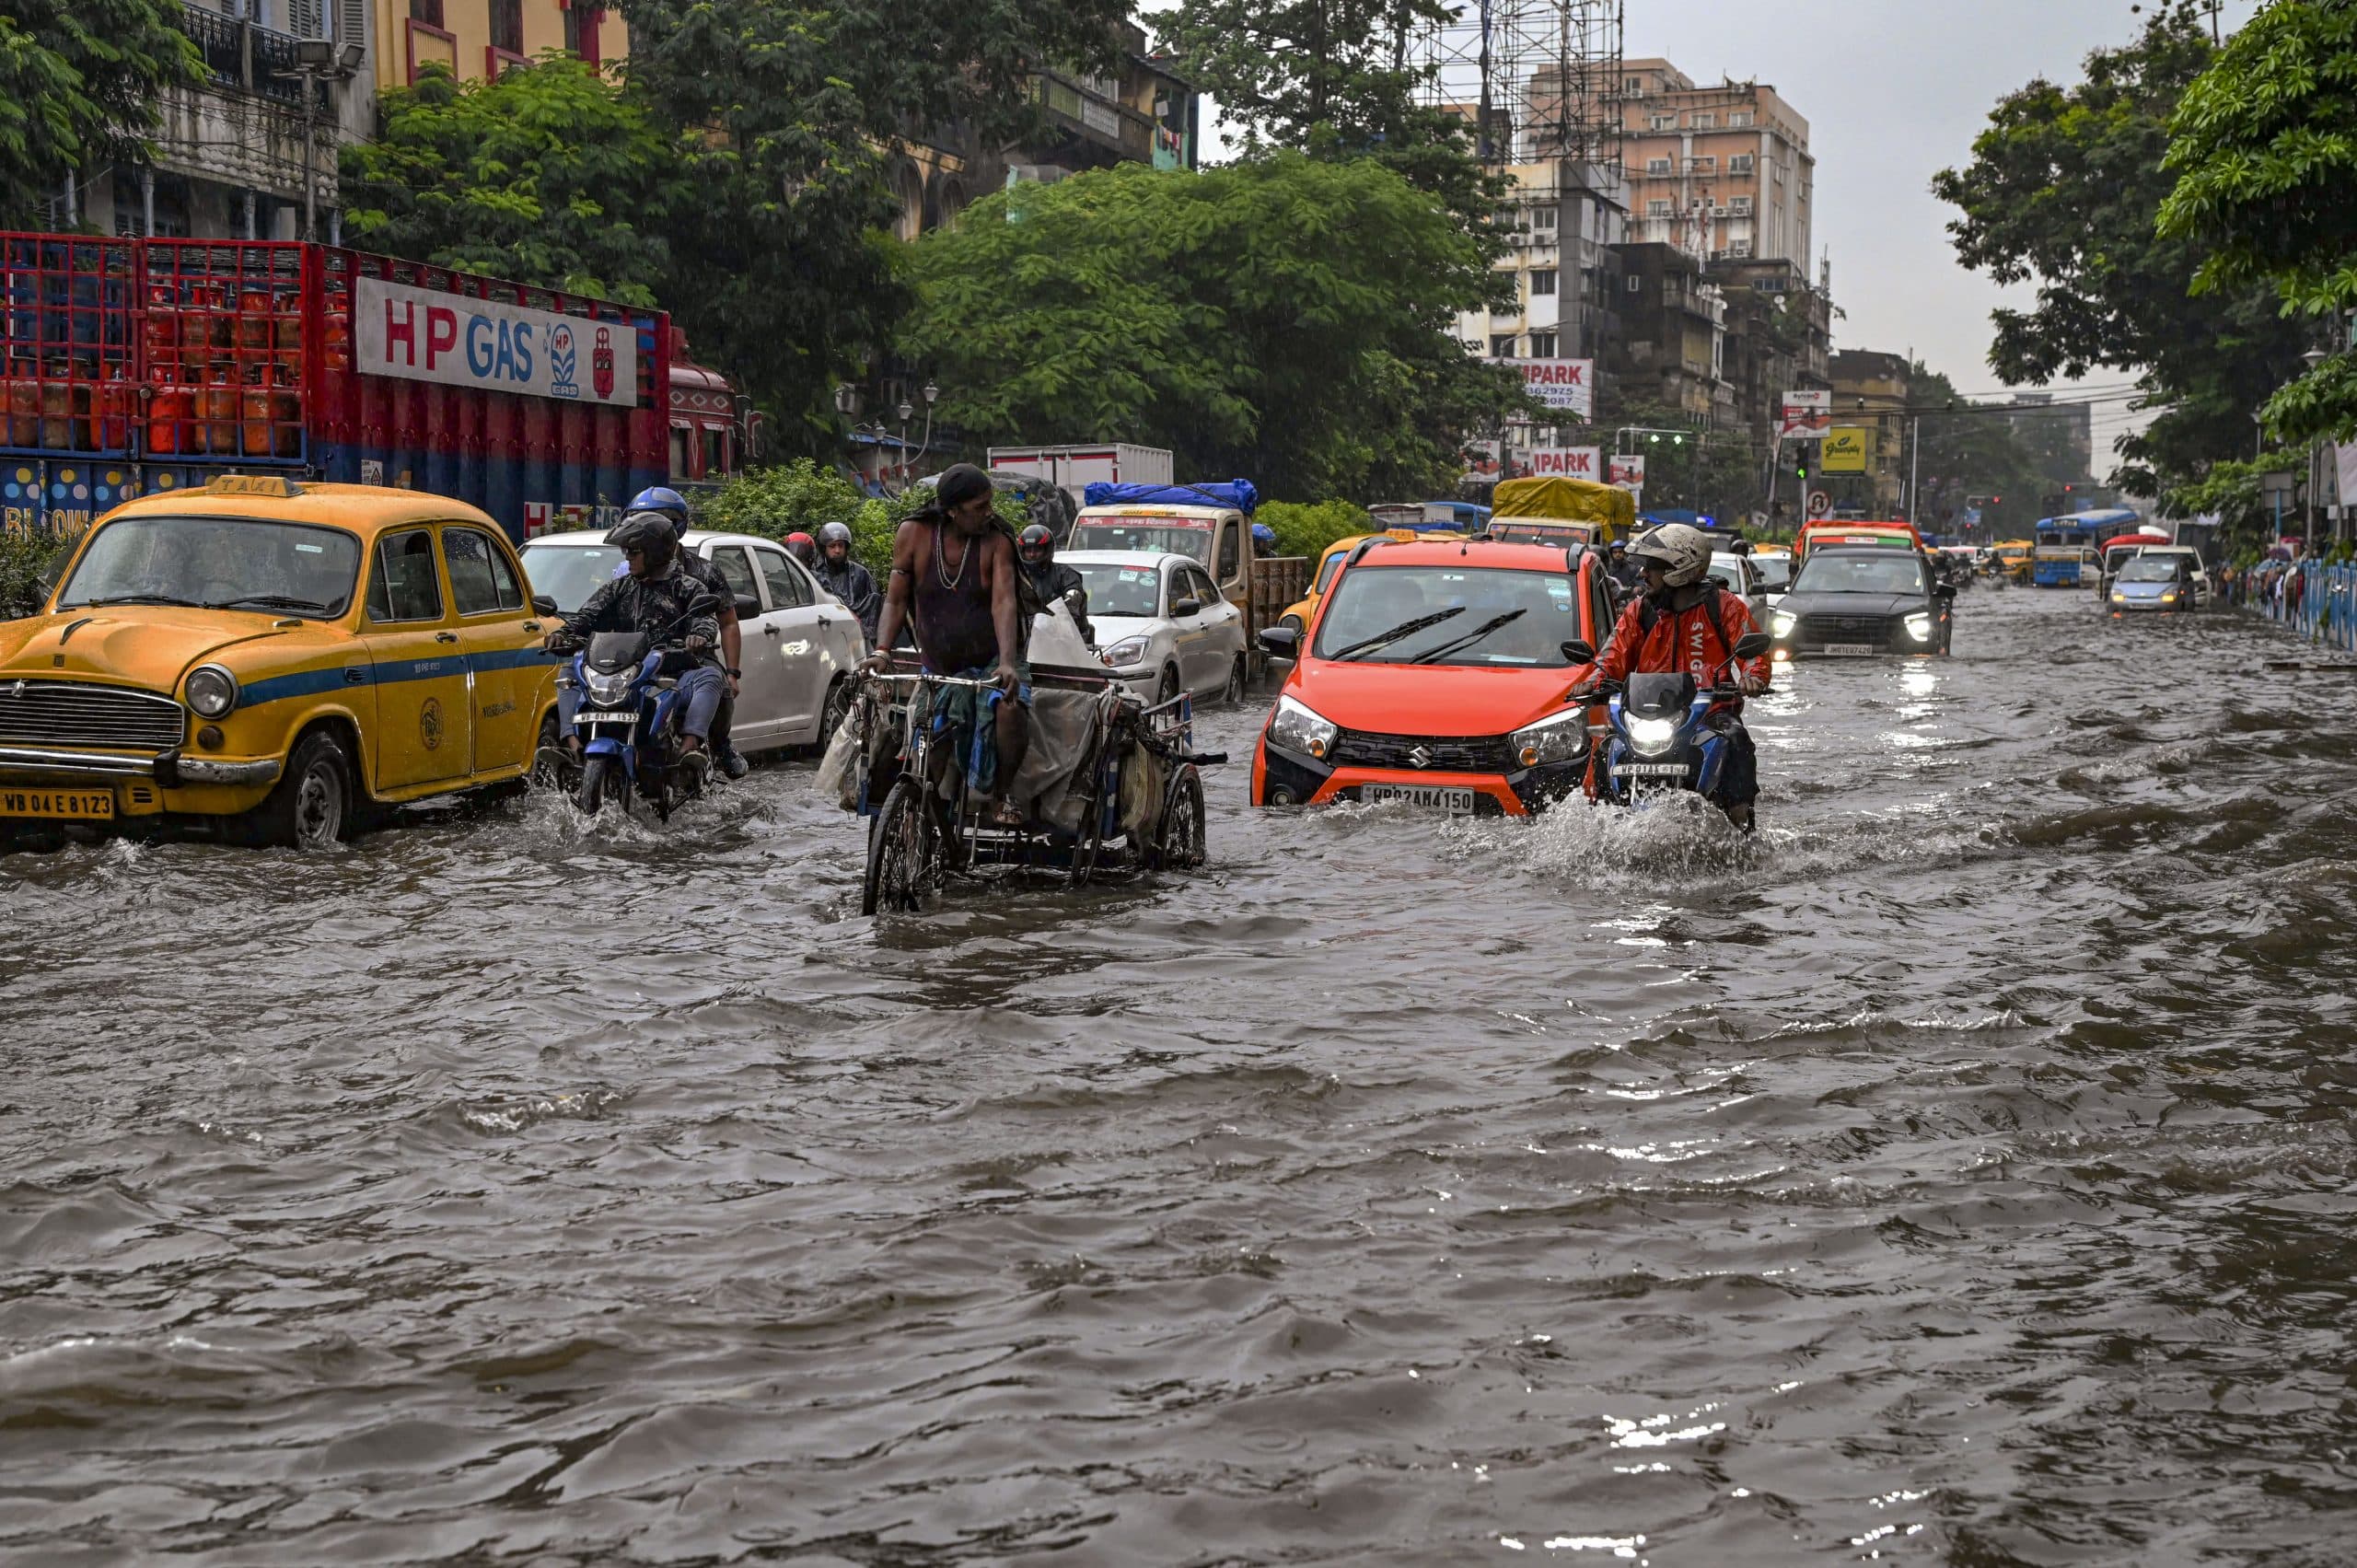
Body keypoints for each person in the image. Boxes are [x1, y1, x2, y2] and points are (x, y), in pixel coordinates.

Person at [861, 462, 1030, 822]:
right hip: (938, 668)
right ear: (952, 511)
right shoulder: (914, 533)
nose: (989, 513)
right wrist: (881, 651)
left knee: (1010, 709)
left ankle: (1001, 794)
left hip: (991, 663)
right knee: (922, 733)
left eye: (990, 504)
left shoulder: (997, 541)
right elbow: (894, 599)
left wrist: (1006, 662)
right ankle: (920, 810)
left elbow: (1004, 602)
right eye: (979, 508)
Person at [1574, 522, 1771, 831]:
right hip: (1647, 715)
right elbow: (1613, 653)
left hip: (1709, 716)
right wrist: (1594, 681)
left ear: (1678, 569)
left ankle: (1741, 823)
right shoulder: (1640, 610)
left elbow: (1751, 651)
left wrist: (1754, 676)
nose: (1643, 575)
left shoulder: (1724, 605)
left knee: (1737, 739)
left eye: (1651, 568)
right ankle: (1595, 825)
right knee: (1605, 747)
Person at [544, 514, 728, 783]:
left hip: (670, 674)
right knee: (568, 674)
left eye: (633, 551)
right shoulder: (618, 588)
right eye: (625, 551)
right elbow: (586, 616)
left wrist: (698, 636)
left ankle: (688, 751)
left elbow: (704, 619)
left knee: (711, 677)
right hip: (620, 673)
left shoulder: (688, 587)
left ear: (654, 552)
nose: (627, 557)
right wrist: (564, 633)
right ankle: (572, 747)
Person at [624, 487, 750, 780]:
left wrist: (733, 672)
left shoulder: (705, 572)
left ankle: (720, 747)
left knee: (719, 686)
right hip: (639, 658)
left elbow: (728, 623)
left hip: (692, 657)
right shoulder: (625, 570)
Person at [1016, 521, 1093, 645]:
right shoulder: (1018, 576)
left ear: (1048, 549)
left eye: (1037, 549)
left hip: (1064, 636)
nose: (1032, 554)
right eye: (1028, 550)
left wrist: (1072, 596)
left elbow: (1074, 590)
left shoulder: (1064, 573)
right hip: (1027, 637)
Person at [814, 520, 882, 645]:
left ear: (846, 547)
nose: (837, 550)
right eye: (832, 546)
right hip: (824, 637)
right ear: (824, 548)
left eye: (840, 545)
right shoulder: (815, 573)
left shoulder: (860, 573)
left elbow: (874, 606)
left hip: (858, 637)